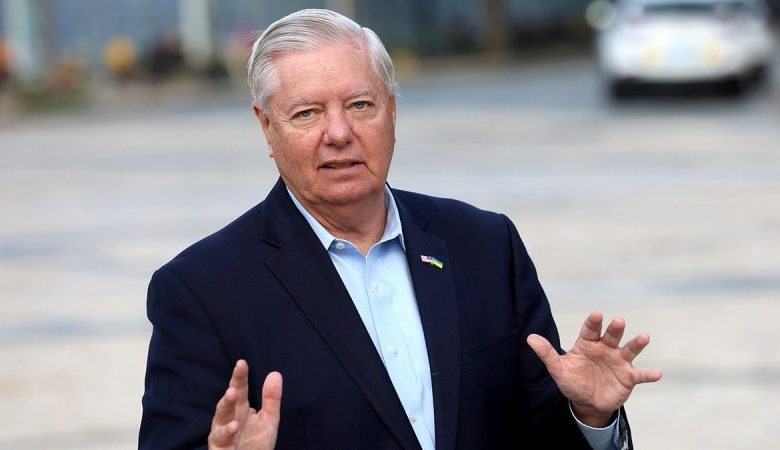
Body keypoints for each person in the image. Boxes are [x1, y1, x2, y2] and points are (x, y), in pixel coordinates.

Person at [139, 9, 661, 450]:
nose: (339, 133)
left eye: (360, 105)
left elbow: (538, 431)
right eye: (307, 113)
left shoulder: (484, 245)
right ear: (266, 127)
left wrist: (590, 418)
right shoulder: (201, 290)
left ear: (391, 111)